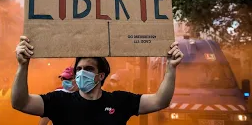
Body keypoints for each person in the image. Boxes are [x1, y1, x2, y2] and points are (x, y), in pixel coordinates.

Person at [12, 36, 184, 125]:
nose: (81, 73)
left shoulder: (120, 101)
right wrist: (23, 65)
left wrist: (171, 68)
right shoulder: (59, 101)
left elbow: (160, 101)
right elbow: (20, 103)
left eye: (88, 69)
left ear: (100, 76)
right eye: (78, 69)